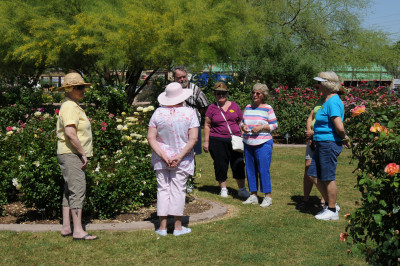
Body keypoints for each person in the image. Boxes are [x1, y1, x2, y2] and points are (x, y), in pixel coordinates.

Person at [147, 82, 199, 236]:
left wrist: (164, 156)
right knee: (178, 190)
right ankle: (177, 227)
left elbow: (151, 138)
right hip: (181, 159)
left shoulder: (157, 113)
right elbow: (193, 139)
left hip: (161, 158)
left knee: (163, 189)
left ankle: (162, 227)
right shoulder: (190, 113)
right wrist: (179, 156)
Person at [57, 72, 98, 240]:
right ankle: (78, 231)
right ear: (68, 89)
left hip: (69, 153)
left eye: (83, 87)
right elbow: (70, 133)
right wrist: (82, 153)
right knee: (77, 190)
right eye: (79, 87)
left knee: (69, 191)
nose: (83, 90)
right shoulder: (69, 107)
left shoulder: (72, 105)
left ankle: (67, 227)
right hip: (72, 153)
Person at [308, 71, 349, 221]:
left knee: (328, 177)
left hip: (329, 143)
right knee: (313, 174)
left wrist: (344, 138)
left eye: (320, 83)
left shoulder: (333, 102)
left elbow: (339, 127)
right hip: (322, 143)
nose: (318, 86)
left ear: (327, 84)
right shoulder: (327, 100)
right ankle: (332, 204)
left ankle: (331, 210)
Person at [203, 82, 250, 198]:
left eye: (223, 93)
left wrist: (243, 132)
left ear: (227, 94)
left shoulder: (234, 106)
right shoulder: (212, 108)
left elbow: (240, 122)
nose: (221, 95)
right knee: (220, 164)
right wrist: (206, 141)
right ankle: (223, 188)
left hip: (235, 139)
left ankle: (242, 189)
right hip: (217, 140)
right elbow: (207, 125)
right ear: (214, 94)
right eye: (218, 93)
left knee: (238, 164)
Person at [241, 83, 278, 207]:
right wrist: (244, 127)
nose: (255, 95)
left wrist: (261, 127)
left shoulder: (267, 108)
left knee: (263, 169)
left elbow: (274, 125)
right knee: (250, 170)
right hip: (248, 142)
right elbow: (242, 122)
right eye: (253, 92)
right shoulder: (248, 107)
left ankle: (267, 197)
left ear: (263, 95)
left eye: (258, 93)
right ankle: (253, 195)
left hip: (263, 142)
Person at [173, 66, 209, 155]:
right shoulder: (171, 89)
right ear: (174, 78)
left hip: (193, 126)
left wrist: (195, 117)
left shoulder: (195, 89)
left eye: (184, 77)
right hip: (176, 127)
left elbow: (204, 105)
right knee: (178, 151)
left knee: (193, 152)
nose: (182, 79)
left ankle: (192, 168)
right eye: (179, 78)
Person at [300, 98, 326, 209]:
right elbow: (311, 117)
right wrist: (309, 132)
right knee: (308, 167)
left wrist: (314, 133)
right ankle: (306, 199)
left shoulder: (333, 101)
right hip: (312, 139)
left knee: (323, 169)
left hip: (323, 139)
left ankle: (324, 200)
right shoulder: (320, 100)